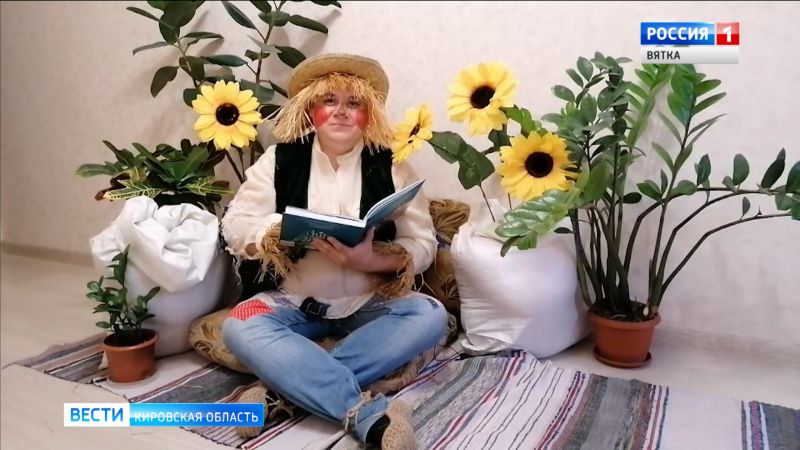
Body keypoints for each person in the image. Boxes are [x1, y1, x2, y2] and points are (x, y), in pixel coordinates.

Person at [220, 53, 448, 450]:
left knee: (431, 314)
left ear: (368, 113)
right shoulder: (279, 159)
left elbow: (423, 243)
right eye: (330, 100)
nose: (341, 112)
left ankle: (278, 393)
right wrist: (274, 230)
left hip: (368, 301)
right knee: (238, 324)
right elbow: (235, 225)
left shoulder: (393, 164)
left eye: (353, 103)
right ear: (311, 108)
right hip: (292, 301)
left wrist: (373, 260)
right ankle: (369, 416)